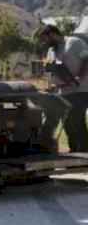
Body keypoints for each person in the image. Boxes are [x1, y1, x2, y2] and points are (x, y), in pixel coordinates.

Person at [36, 24, 88, 152]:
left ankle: (83, 152)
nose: (44, 42)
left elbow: (87, 59)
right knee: (67, 124)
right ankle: (76, 152)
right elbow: (51, 71)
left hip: (80, 90)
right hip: (62, 92)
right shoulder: (51, 51)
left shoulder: (75, 42)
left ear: (52, 34)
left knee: (75, 120)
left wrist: (79, 77)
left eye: (45, 39)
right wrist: (50, 85)